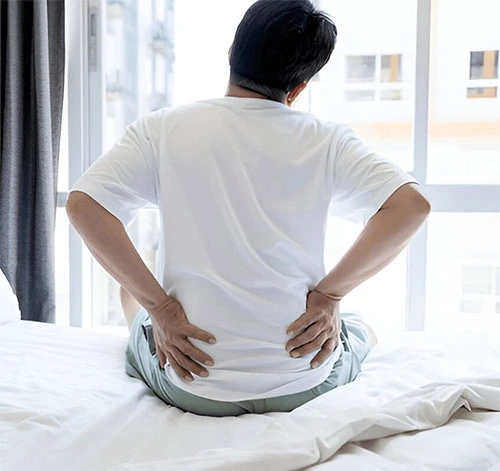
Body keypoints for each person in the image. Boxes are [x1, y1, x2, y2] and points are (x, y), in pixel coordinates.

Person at [66, 0, 430, 417]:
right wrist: (330, 295)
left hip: (196, 388)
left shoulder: (163, 129)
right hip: (303, 382)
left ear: (230, 55)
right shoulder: (326, 140)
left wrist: (162, 310)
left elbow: (84, 205)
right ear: (298, 88)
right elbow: (411, 205)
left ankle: (154, 321)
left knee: (130, 292)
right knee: (360, 326)